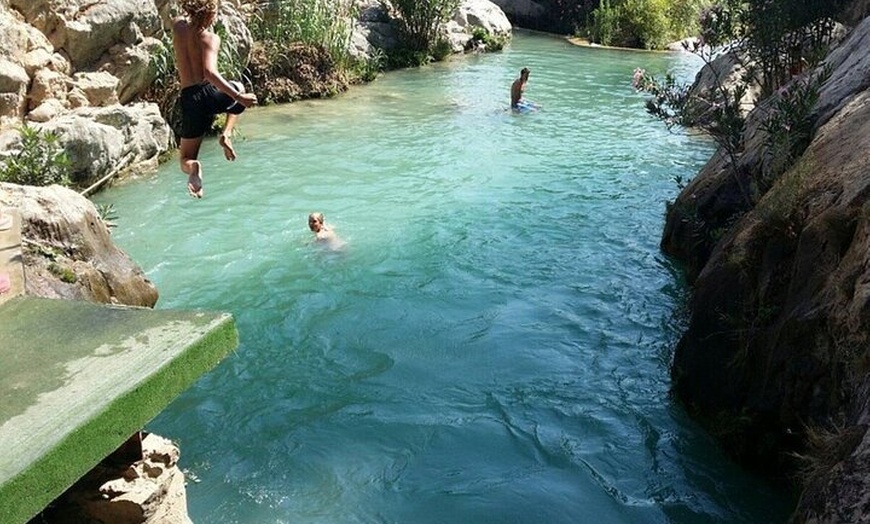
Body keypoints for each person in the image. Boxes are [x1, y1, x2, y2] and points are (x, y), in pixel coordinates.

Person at [172, 0, 258, 198]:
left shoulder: (178, 27)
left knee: (186, 157)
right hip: (208, 94)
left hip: (190, 99)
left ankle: (194, 168)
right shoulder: (211, 39)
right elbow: (210, 73)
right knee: (239, 87)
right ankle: (226, 134)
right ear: (210, 16)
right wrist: (239, 97)